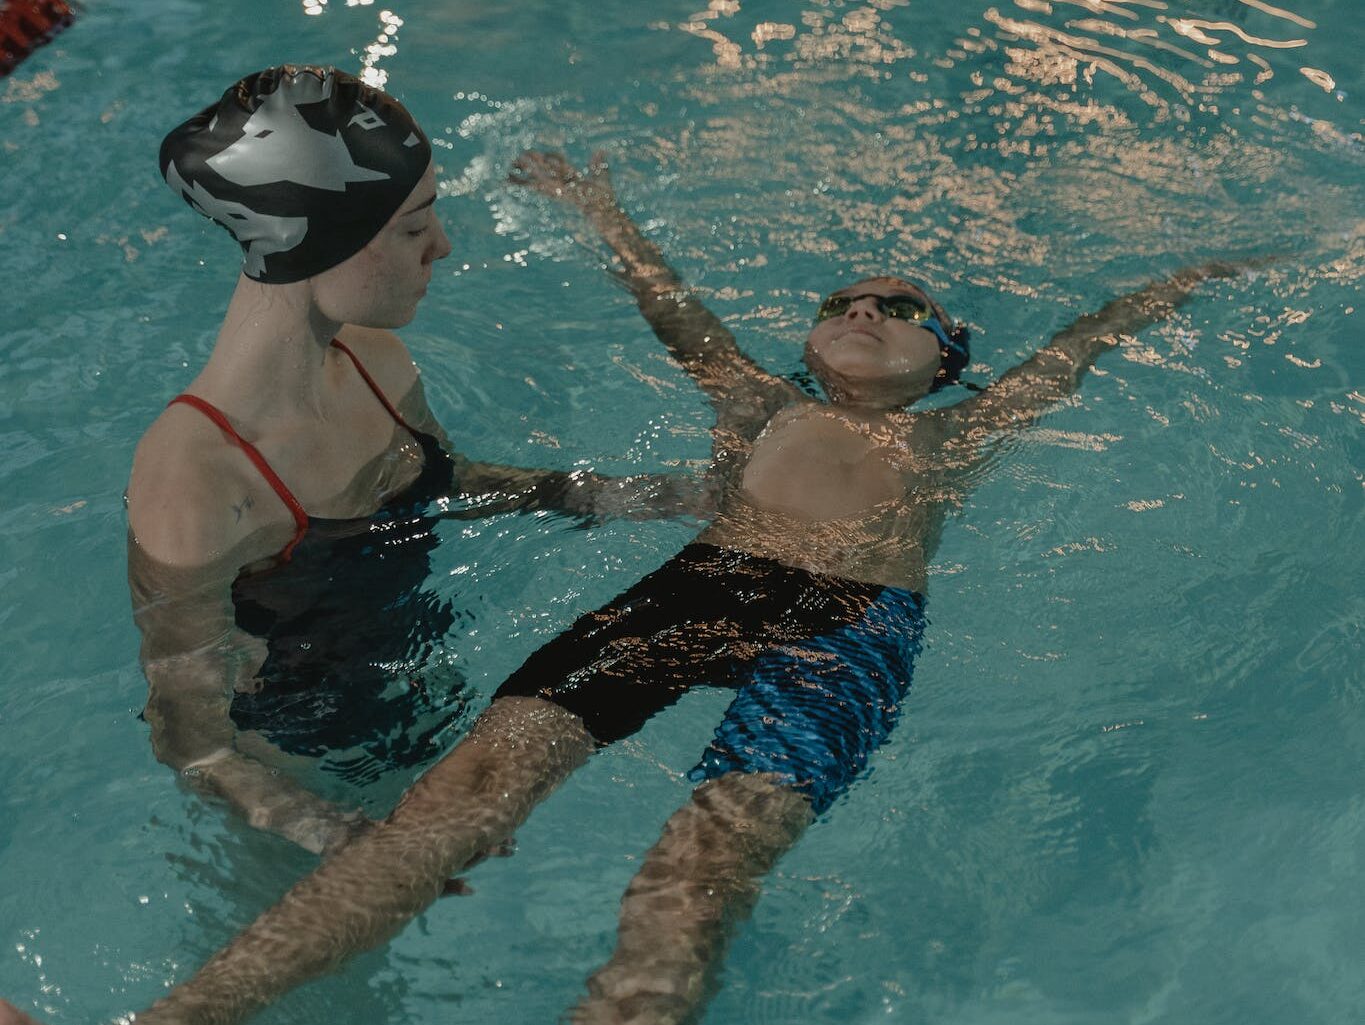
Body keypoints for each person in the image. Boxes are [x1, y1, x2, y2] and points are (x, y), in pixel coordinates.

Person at [0, 144, 1254, 1025]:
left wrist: (1177, 284)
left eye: (902, 308)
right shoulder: (754, 403)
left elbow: (1076, 356)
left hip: (846, 630)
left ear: (947, 366)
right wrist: (603, 216)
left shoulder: (950, 441)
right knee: (455, 805)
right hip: (696, 585)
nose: (865, 308)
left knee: (695, 876)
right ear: (808, 340)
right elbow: (677, 315)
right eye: (843, 298)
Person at [122, 67, 710, 860]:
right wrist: (340, 836)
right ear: (313, 241)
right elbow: (192, 740)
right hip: (300, 784)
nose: (442, 246)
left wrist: (602, 494)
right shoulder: (196, 477)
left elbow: (445, 481)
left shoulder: (374, 357)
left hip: (426, 700)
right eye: (411, 228)